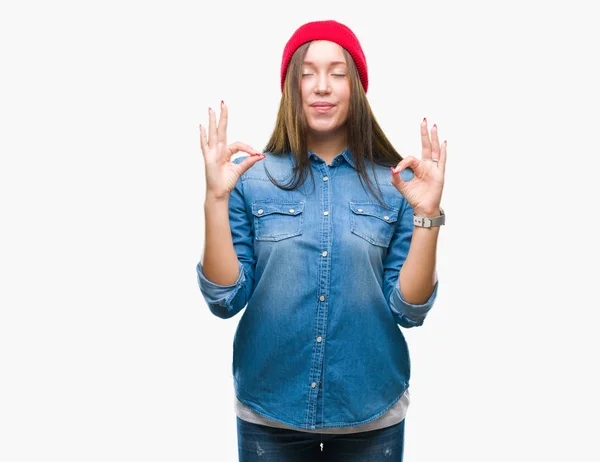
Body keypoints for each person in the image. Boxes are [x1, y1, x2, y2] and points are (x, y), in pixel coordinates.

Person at [196, 19, 446, 461]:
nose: (322, 86)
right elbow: (225, 299)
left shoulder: (397, 185)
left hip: (371, 410)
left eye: (337, 72)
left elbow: (409, 309)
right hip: (269, 410)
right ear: (291, 87)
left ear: (357, 86)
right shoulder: (251, 178)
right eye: (307, 73)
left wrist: (426, 215)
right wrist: (216, 199)